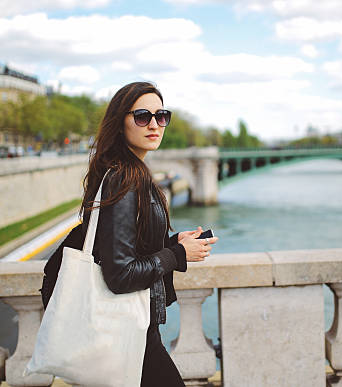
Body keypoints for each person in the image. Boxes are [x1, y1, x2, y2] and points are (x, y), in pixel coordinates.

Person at [40, 81, 218, 387]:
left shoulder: (125, 172)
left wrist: (171, 243)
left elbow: (119, 245)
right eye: (142, 116)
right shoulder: (125, 180)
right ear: (120, 123)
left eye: (161, 116)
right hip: (131, 333)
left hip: (133, 329)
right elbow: (120, 274)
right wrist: (177, 255)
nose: (154, 124)